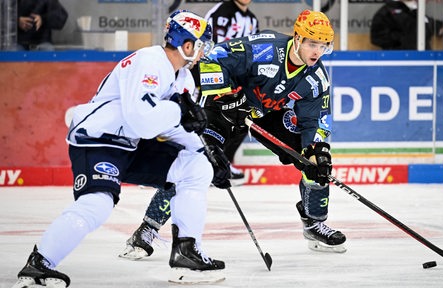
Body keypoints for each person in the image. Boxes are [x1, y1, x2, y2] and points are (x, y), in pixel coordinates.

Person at [12, 10, 228, 287]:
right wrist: (178, 111)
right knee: (98, 204)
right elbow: (144, 119)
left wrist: (206, 153)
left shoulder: (183, 78)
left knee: (196, 168)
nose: (202, 52)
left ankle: (187, 252)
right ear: (188, 45)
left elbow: (175, 127)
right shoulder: (149, 61)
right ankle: (39, 264)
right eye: (202, 45)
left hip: (132, 144)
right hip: (98, 139)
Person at [118, 10, 346, 261]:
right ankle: (147, 229)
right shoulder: (264, 48)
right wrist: (227, 94)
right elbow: (213, 57)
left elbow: (314, 120)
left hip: (263, 112)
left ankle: (314, 224)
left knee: (315, 161)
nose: (317, 51)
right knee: (196, 161)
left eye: (324, 46)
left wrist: (316, 150)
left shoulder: (316, 77)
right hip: (222, 107)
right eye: (312, 44)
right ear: (298, 38)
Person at [118, 2, 259, 259]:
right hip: (197, 103)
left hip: (221, 101)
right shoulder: (215, 18)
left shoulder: (250, 22)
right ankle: (150, 229)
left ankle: (178, 243)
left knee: (196, 163)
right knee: (190, 162)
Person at [205, 0, 260, 179]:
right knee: (203, 118)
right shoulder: (222, 12)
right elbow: (212, 47)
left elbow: (257, 49)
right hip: (212, 75)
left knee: (244, 117)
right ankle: (175, 165)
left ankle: (224, 161)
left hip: (238, 78)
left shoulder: (252, 19)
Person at [370, 0, 443, 50]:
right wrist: (401, 39)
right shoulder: (386, 12)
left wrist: (440, 27)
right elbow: (376, 38)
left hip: (424, 60)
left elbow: (429, 25)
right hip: (399, 61)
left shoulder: (415, 11)